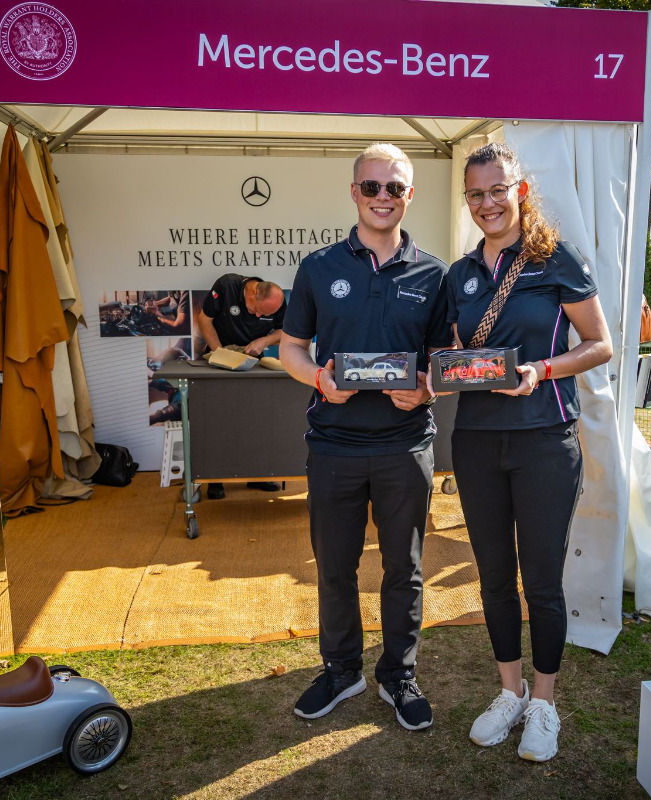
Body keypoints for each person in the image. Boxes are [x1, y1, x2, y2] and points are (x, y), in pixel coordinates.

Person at [440, 142, 612, 761]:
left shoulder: (555, 259)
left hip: (545, 439)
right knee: (492, 577)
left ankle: (544, 703)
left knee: (541, 581)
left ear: (520, 192)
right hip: (477, 441)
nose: (487, 203)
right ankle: (508, 692)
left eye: (497, 190)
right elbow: (452, 351)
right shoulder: (459, 274)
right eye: (476, 194)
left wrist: (543, 368)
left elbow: (600, 344)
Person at [279, 143, 452, 731]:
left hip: (406, 444)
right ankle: (341, 669)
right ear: (354, 192)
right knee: (335, 567)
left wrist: (427, 390)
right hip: (334, 444)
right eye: (372, 186)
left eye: (394, 187)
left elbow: (444, 358)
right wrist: (319, 379)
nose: (383, 197)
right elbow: (291, 349)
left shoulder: (434, 273)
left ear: (410, 195)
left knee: (404, 568)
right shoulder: (318, 267)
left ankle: (398, 675)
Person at [199, 276, 287, 499]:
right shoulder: (226, 286)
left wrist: (264, 341)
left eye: (263, 315)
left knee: (257, 421)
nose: (258, 316)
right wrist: (221, 354)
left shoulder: (276, 300)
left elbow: (283, 331)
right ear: (252, 292)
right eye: (256, 310)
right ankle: (216, 479)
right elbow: (204, 320)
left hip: (252, 360)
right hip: (219, 357)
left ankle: (257, 474)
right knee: (219, 421)